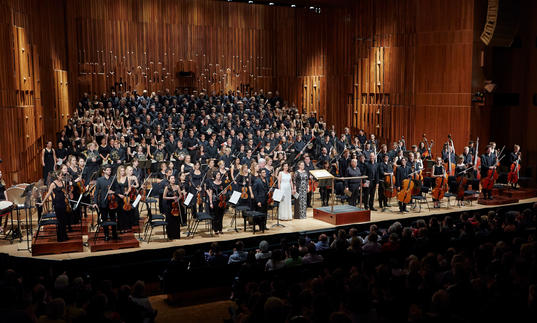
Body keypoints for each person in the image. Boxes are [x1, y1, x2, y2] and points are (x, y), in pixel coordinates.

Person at [38, 170, 69, 242]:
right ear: (57, 176)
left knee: (64, 221)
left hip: (63, 203)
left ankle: (64, 236)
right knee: (60, 221)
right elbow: (48, 193)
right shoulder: (53, 184)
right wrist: (43, 202)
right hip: (57, 204)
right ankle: (60, 237)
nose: (62, 176)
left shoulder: (63, 182)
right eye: (61, 175)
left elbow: (64, 192)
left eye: (62, 175)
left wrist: (67, 195)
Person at [92, 165, 118, 241]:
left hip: (112, 202)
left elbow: (117, 190)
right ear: (104, 171)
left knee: (113, 218)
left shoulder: (113, 179)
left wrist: (113, 192)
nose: (109, 171)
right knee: (104, 219)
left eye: (110, 170)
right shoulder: (99, 180)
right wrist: (95, 202)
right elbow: (96, 192)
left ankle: (114, 234)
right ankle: (106, 235)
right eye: (108, 170)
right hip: (103, 202)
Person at [162, 175, 181, 240]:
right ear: (169, 180)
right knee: (170, 220)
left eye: (174, 178)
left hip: (175, 206)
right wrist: (172, 198)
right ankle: (170, 235)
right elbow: (164, 197)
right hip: (169, 206)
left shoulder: (177, 186)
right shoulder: (167, 187)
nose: (173, 179)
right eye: (172, 178)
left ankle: (176, 235)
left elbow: (180, 196)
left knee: (176, 220)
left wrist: (177, 199)